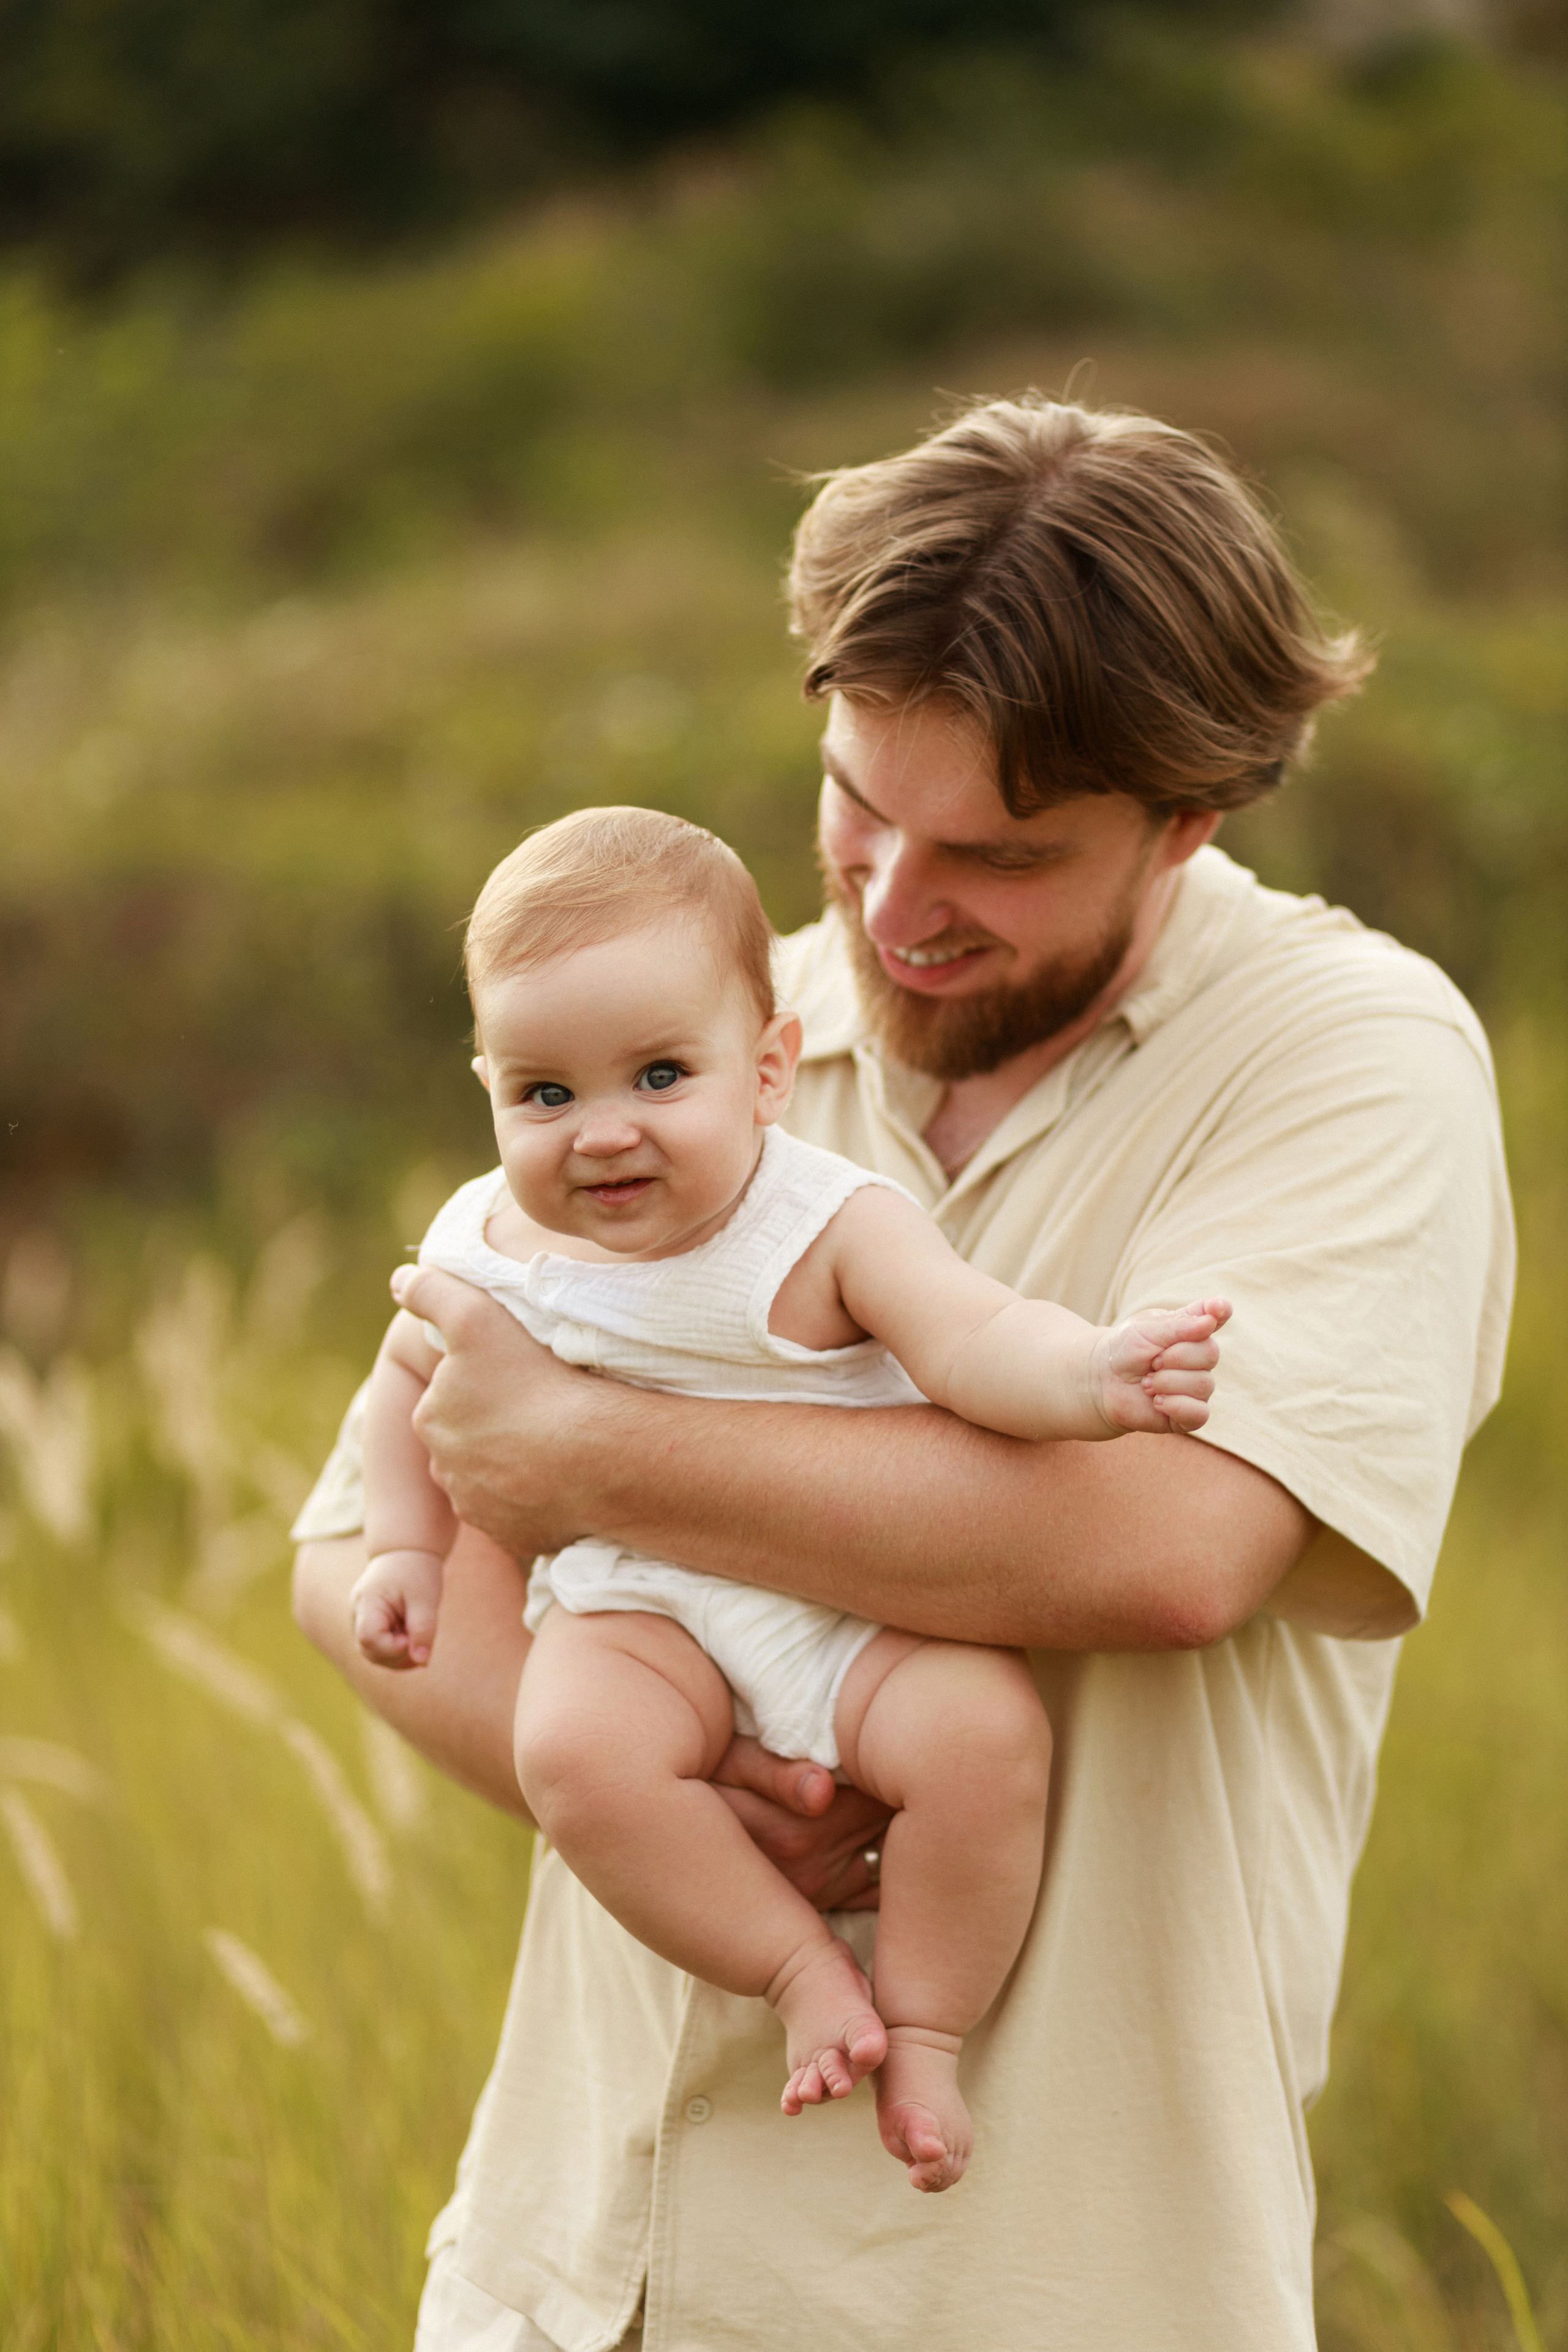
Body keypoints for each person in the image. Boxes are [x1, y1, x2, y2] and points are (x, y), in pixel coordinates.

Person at [293, 395, 1514, 2351]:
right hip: (581, 2266)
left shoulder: (1351, 1060)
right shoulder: (697, 1033)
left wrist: (585, 1456)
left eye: (1000, 855)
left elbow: (1173, 1547)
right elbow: (364, 1548)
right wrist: (656, 1776)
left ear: (1188, 818)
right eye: (862, 804)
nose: (889, 908)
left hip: (1048, 2277)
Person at [349, 804, 1229, 2192]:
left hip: (846, 1596)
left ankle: (926, 2029)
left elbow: (975, 1339)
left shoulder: (824, 1222)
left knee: (979, 1737)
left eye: (656, 1075)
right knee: (573, 1754)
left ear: (766, 1071)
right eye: (545, 1095)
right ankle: (799, 1971)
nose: (600, 1135)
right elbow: (405, 1385)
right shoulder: (487, 1241)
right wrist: (404, 1542)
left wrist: (1096, 1376)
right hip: (633, 1607)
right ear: (489, 1090)